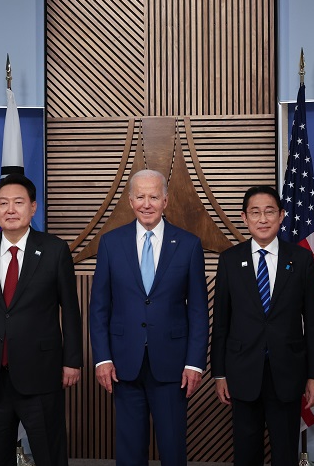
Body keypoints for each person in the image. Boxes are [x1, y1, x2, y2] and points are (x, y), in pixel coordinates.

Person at [0, 173, 82, 466]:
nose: (10, 210)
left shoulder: (54, 250)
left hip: (41, 374)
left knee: (49, 455)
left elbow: (71, 310)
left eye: (18, 202)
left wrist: (71, 361)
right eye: (3, 203)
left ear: (33, 207)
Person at [89, 169, 209, 466]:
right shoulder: (110, 243)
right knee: (130, 452)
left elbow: (197, 310)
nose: (147, 203)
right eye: (140, 196)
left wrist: (195, 362)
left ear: (165, 200)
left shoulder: (189, 244)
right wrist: (102, 359)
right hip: (123, 363)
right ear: (130, 200)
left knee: (172, 448)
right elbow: (99, 307)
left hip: (172, 365)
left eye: (153, 196)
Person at [211, 184, 314, 466]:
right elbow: (221, 322)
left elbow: (313, 321)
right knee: (246, 452)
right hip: (242, 372)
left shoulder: (301, 259)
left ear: (282, 215)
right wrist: (219, 373)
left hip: (287, 372)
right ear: (244, 217)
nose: (263, 219)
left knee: (285, 451)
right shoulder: (229, 260)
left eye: (269, 212)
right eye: (255, 212)